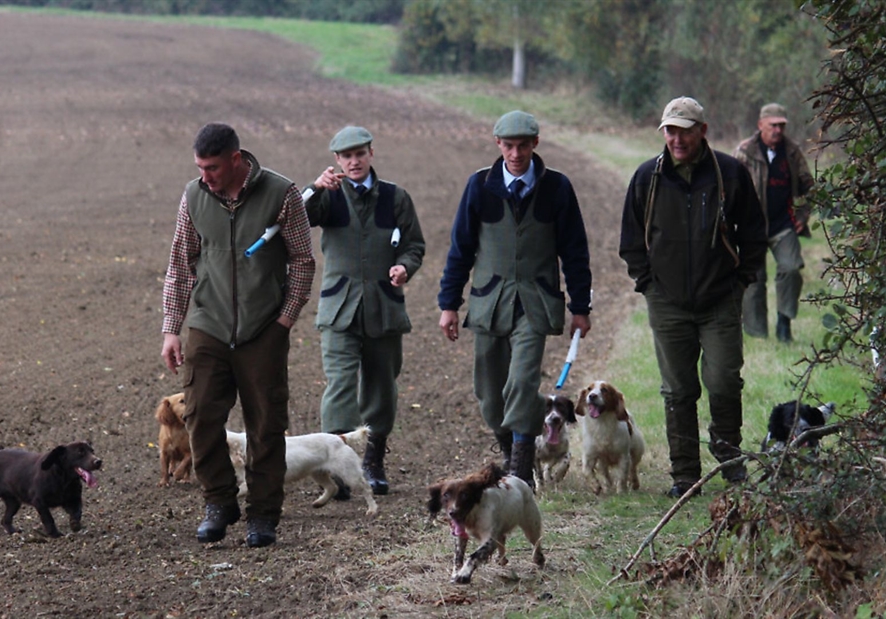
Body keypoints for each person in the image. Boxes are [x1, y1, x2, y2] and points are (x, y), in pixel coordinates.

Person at [161, 123, 315, 548]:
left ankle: (263, 516)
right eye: (199, 167)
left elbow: (303, 260)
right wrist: (171, 328)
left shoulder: (281, 194)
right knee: (200, 415)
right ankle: (219, 502)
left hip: (264, 327)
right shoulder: (194, 196)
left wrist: (285, 318)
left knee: (266, 426)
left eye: (212, 167)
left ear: (235, 159)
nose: (204, 175)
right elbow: (180, 264)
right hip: (208, 324)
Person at [618, 97, 767, 498]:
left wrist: (739, 284)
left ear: (702, 130)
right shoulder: (647, 177)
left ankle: (730, 459)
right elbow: (631, 242)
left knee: (723, 382)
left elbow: (754, 235)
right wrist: (648, 284)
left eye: (685, 129)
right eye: (670, 130)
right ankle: (684, 476)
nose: (677, 138)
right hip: (666, 303)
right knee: (678, 390)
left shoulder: (730, 174)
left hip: (720, 299)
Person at [438, 110, 592, 491]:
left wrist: (580, 308)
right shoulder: (479, 186)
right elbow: (461, 248)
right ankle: (510, 448)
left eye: (523, 145)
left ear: (535, 144)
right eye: (509, 145)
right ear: (498, 145)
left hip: (536, 303)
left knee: (522, 383)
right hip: (490, 301)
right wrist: (448, 304)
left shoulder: (557, 187)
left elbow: (575, 251)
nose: (516, 153)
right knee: (490, 393)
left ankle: (521, 469)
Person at [303, 126, 425, 497]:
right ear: (337, 161)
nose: (354, 161)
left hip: (383, 307)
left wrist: (405, 266)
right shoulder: (327, 196)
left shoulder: (394, 197)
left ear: (371, 153)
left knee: (381, 387)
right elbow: (296, 216)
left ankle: (373, 460)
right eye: (346, 156)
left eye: (360, 154)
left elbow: (414, 244)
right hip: (339, 308)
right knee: (340, 384)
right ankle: (338, 468)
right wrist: (314, 187)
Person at [733, 103, 816, 342]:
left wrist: (802, 216)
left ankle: (784, 323)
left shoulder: (792, 152)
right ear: (761, 125)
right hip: (751, 229)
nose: (778, 130)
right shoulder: (744, 152)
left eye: (782, 125)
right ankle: (757, 333)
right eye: (773, 125)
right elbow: (728, 189)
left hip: (783, 225)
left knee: (791, 269)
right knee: (753, 280)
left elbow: (809, 187)